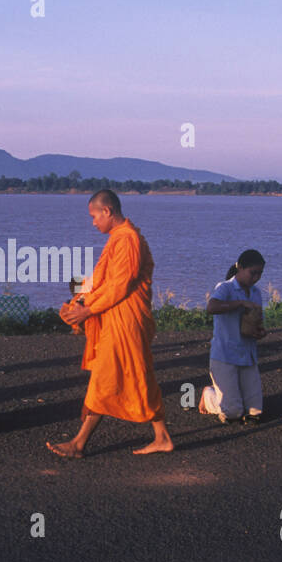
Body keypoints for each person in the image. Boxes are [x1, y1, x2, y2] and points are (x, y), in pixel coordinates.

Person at [47, 190, 173, 457]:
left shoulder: (128, 240)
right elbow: (102, 282)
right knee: (140, 377)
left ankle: (79, 443)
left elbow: (120, 285)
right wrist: (79, 303)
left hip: (126, 321)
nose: (93, 223)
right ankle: (162, 437)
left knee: (104, 379)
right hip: (120, 319)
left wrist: (88, 310)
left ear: (107, 211)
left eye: (94, 216)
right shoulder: (119, 239)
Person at [199, 250, 267, 423]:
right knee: (233, 412)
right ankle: (209, 396)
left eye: (260, 273)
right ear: (241, 268)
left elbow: (257, 321)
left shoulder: (256, 292)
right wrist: (239, 303)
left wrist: (259, 332)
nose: (256, 277)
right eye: (253, 273)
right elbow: (211, 308)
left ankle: (234, 398)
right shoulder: (225, 288)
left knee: (255, 411)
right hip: (225, 354)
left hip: (247, 353)